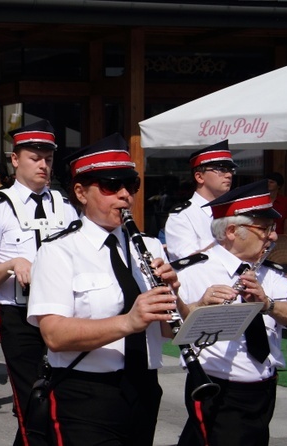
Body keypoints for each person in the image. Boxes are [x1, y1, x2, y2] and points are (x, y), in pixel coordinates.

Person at [27, 133, 177, 445]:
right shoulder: (59, 251)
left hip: (144, 388)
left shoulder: (147, 246)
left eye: (130, 185)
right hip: (85, 394)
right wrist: (128, 322)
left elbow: (171, 332)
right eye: (111, 185)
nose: (125, 195)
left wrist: (177, 298)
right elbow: (53, 335)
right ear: (80, 192)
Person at [0, 120, 79, 445]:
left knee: (59, 403)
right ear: (15, 159)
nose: (43, 164)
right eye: (35, 157)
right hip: (20, 319)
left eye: (48, 157)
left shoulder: (65, 205)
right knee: (34, 405)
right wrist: (12, 264)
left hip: (63, 314)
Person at [172, 179, 287, 446]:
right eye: (264, 229)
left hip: (263, 390)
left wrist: (268, 304)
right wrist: (199, 306)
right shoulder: (192, 271)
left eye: (272, 228)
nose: (272, 236)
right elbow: (169, 328)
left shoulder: (271, 273)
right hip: (218, 389)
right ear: (232, 231)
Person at [164, 140, 236, 261]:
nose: (228, 175)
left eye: (230, 170)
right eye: (221, 169)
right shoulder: (182, 216)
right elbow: (187, 262)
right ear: (199, 177)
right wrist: (225, 243)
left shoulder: (235, 211)